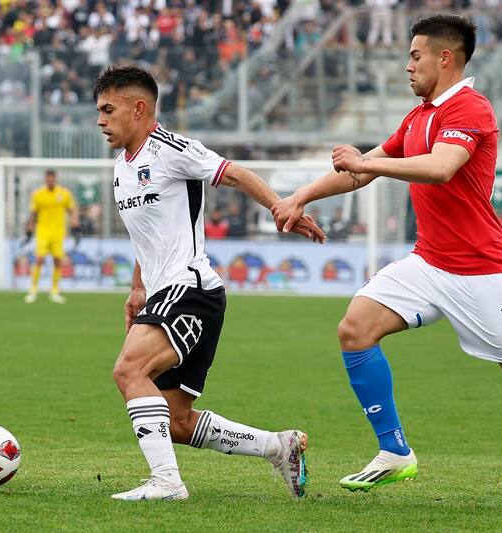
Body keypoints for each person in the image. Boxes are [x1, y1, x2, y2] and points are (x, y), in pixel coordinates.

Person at [272, 14, 502, 515]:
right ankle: (395, 450)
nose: (408, 66)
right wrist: (301, 196)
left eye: (415, 55)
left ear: (446, 57)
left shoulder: (471, 107)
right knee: (355, 329)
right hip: (428, 263)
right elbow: (360, 173)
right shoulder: (419, 115)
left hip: (480, 269)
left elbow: (440, 169)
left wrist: (367, 163)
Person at [94, 65, 324, 501]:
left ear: (138, 107)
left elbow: (235, 173)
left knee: (129, 370)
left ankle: (166, 484)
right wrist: (137, 287)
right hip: (165, 293)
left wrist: (280, 208)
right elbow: (147, 236)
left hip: (190, 290)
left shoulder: (171, 149)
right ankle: (280, 446)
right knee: (177, 420)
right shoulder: (121, 168)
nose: (100, 121)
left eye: (108, 110)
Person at [24, 169, 79, 304]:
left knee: (57, 261)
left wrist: (74, 222)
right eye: (48, 178)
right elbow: (33, 213)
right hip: (42, 231)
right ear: (45, 179)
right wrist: (30, 226)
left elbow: (72, 210)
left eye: (52, 178)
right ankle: (33, 290)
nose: (50, 180)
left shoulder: (64, 193)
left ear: (55, 179)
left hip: (58, 232)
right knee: (39, 259)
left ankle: (54, 291)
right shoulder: (38, 194)